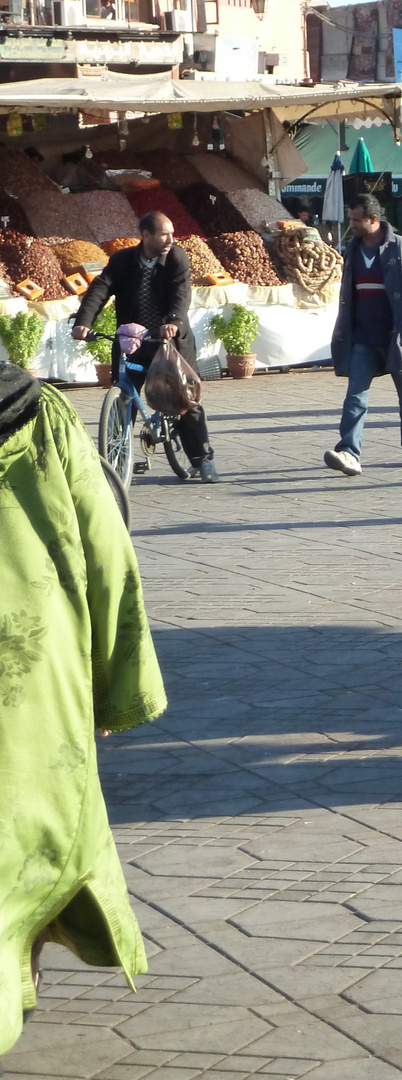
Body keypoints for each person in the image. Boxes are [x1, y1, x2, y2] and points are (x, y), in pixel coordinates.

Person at [0, 363, 166, 1055]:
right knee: (26, 841)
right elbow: (107, 553)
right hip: (36, 676)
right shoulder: (43, 417)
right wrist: (116, 686)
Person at [72, 211, 219, 483]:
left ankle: (202, 458)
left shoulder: (176, 258)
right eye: (164, 234)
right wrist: (83, 322)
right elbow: (100, 289)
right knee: (122, 396)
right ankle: (116, 456)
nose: (171, 239)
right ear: (146, 235)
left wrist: (173, 322)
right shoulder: (121, 260)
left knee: (186, 400)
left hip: (169, 342)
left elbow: (180, 295)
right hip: (133, 341)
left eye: (172, 233)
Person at [324, 194, 402, 476]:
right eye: (351, 219)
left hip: (398, 337)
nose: (352, 225)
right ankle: (349, 452)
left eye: (357, 219)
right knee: (355, 396)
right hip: (362, 337)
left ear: (374, 219)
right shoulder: (351, 251)